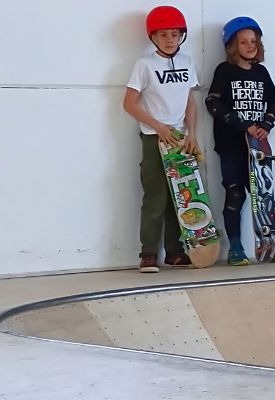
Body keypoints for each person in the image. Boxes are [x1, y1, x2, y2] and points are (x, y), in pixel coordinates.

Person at [204, 16, 275, 265]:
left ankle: (271, 244)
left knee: (263, 195)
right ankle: (235, 247)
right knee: (235, 194)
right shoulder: (224, 71)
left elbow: (274, 101)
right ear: (233, 46)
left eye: (253, 41)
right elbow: (212, 102)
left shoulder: (261, 72)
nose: (250, 45)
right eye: (244, 42)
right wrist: (243, 125)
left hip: (258, 148)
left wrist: (266, 124)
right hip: (231, 144)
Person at [122, 5, 201, 273]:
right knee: (155, 196)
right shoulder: (145, 65)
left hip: (180, 138)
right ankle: (149, 253)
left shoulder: (188, 62)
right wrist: (159, 127)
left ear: (182, 36)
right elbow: (129, 104)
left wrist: (192, 135)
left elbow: (190, 101)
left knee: (179, 196)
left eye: (175, 34)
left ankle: (175, 251)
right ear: (153, 37)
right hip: (154, 138)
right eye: (164, 34)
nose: (170, 39)